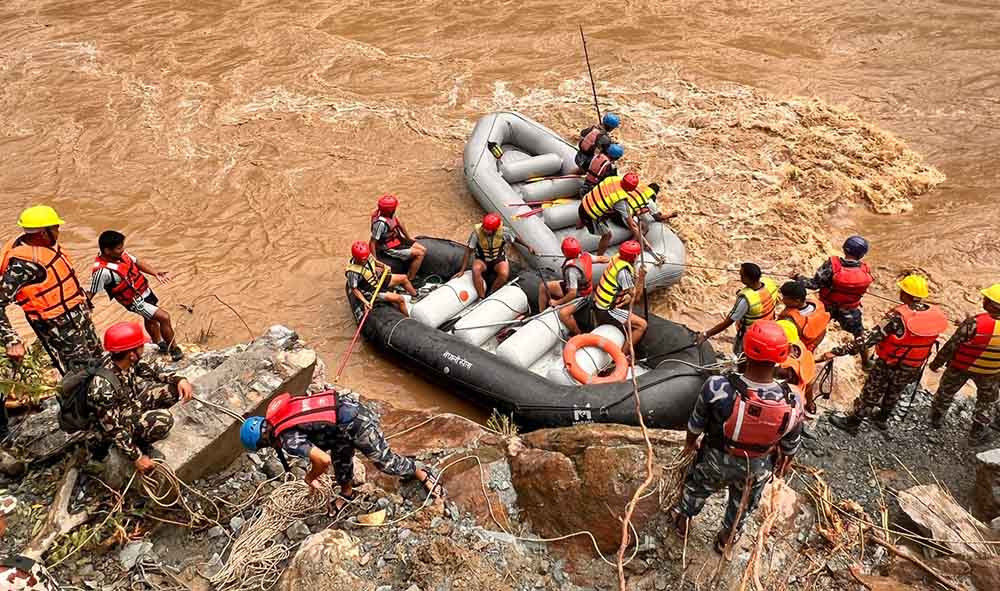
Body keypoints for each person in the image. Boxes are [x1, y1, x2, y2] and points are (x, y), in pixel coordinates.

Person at [674, 321, 803, 553]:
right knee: (743, 505)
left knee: (696, 487)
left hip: (716, 458)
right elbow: (790, 445)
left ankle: (683, 522)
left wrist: (689, 446)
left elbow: (696, 423)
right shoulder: (794, 399)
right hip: (757, 465)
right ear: (782, 356)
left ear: (745, 349)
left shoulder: (717, 386)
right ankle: (726, 539)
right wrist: (783, 465)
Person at [240, 388, 444, 512]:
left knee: (386, 463)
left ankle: (420, 470)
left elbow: (322, 460)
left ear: (263, 442)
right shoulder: (279, 414)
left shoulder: (287, 439)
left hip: (356, 422)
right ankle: (347, 492)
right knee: (341, 460)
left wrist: (310, 478)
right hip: (339, 424)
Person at [820, 274, 948, 434]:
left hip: (889, 363)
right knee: (895, 391)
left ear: (905, 294)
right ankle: (882, 419)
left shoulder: (898, 317)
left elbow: (868, 339)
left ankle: (853, 423)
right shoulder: (934, 315)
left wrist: (837, 351)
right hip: (913, 365)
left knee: (871, 392)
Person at [0, 206, 101, 373]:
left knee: (99, 359)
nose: (58, 231)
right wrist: (12, 341)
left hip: (79, 317)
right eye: (55, 228)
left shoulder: (45, 246)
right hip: (60, 330)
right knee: (82, 372)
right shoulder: (23, 266)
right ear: (43, 233)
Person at [87, 322, 194, 474]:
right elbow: (113, 430)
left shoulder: (125, 360)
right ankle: (141, 443)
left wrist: (179, 379)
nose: (143, 348)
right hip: (111, 428)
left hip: (129, 407)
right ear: (131, 354)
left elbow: (153, 371)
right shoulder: (102, 390)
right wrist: (137, 457)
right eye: (140, 346)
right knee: (164, 419)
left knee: (172, 391)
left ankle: (142, 430)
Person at [89, 230, 182, 361]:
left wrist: (155, 273)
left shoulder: (121, 255)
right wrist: (84, 306)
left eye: (122, 246)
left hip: (144, 290)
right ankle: (174, 349)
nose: (122, 250)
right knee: (164, 317)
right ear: (107, 251)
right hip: (134, 301)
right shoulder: (102, 272)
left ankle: (158, 343)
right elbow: (92, 291)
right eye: (119, 248)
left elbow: (137, 262)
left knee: (150, 318)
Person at [928, 284, 1000, 442]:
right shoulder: (972, 323)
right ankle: (976, 433)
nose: (983, 300)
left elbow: (951, 346)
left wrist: (936, 364)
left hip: (960, 367)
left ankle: (936, 420)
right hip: (990, 373)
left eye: (985, 299)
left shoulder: (973, 323)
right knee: (986, 402)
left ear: (991, 304)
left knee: (945, 393)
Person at [792, 236, 874, 368]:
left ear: (844, 248)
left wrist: (797, 278)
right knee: (859, 335)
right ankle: (866, 362)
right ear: (862, 254)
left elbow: (814, 284)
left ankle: (803, 358)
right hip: (849, 309)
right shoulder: (865, 269)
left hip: (826, 306)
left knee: (815, 329)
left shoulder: (832, 264)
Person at [578, 172, 676, 257]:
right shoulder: (620, 200)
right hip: (590, 214)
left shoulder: (613, 179)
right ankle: (600, 257)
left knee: (602, 209)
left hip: (583, 203)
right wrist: (644, 242)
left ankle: (580, 224)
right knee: (607, 235)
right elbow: (632, 225)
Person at [697, 263, 780, 357]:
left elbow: (728, 322)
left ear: (748, 279)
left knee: (742, 356)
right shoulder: (769, 283)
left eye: (741, 275)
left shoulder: (745, 300)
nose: (740, 278)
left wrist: (706, 334)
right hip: (769, 330)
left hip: (751, 336)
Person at [537, 237, 609, 336]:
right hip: (574, 286)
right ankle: (541, 313)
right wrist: (611, 260)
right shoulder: (586, 255)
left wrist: (557, 302)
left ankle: (578, 334)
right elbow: (601, 259)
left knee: (563, 314)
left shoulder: (571, 270)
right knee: (543, 287)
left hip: (581, 295)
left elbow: (572, 294)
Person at [454, 213, 535, 299]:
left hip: (498, 258)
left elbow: (515, 239)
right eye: (484, 228)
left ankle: (491, 293)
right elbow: (468, 251)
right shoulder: (476, 233)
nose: (485, 230)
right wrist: (462, 270)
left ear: (495, 229)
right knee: (476, 269)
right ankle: (481, 296)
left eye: (488, 229)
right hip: (482, 259)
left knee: (504, 274)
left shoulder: (504, 232)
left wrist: (527, 246)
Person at [591, 240, 646, 357]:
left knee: (626, 298)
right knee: (642, 325)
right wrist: (641, 278)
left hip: (600, 300)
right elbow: (636, 298)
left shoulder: (617, 258)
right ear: (634, 257)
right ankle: (623, 355)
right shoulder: (623, 273)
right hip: (606, 310)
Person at [347, 241, 415, 317]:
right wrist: (365, 301)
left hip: (378, 280)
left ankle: (415, 296)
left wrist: (383, 266)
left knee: (404, 278)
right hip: (372, 291)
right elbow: (354, 289)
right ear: (356, 258)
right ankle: (407, 319)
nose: (365, 260)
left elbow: (374, 262)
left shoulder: (366, 255)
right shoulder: (352, 272)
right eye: (363, 259)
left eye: (366, 258)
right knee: (400, 299)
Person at [368, 194, 426, 281]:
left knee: (423, 249)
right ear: (390, 209)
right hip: (388, 248)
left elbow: (400, 224)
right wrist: (375, 260)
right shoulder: (380, 224)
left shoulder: (389, 213)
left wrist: (408, 238)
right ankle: (410, 279)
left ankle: (411, 272)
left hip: (397, 240)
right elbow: (372, 242)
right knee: (420, 254)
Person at [777, 281, 830, 352]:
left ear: (797, 301)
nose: (783, 300)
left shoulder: (790, 320)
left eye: (785, 298)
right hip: (817, 340)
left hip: (802, 347)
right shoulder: (817, 304)